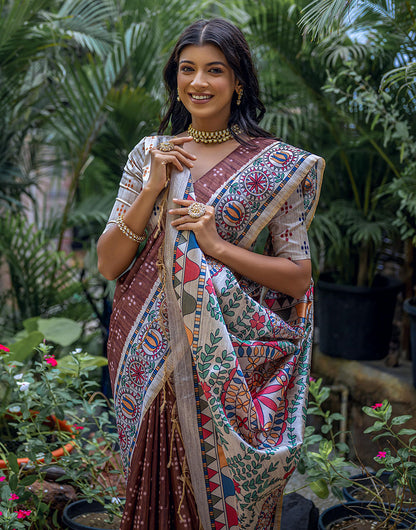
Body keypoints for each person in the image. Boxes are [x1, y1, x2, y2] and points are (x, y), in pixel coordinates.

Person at [97, 17, 324, 530]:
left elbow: (297, 277)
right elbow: (109, 262)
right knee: (153, 490)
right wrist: (153, 187)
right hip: (146, 350)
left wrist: (216, 244)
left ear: (238, 80)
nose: (198, 82)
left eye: (214, 70)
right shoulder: (150, 155)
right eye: (187, 69)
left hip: (226, 360)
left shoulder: (276, 166)